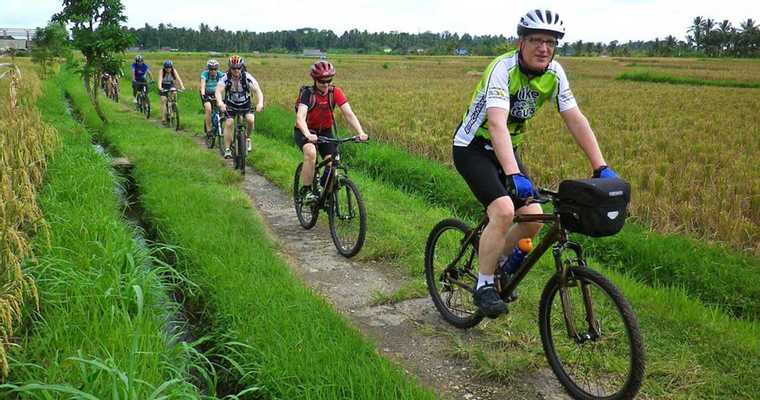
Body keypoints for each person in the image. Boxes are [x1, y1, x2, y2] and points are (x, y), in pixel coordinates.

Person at [452, 9, 619, 318]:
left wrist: (601, 166)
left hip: (507, 150)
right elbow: (498, 124)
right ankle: (485, 284)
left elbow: (575, 119)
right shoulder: (502, 69)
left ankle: (497, 260)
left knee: (533, 216)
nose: (544, 48)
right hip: (473, 147)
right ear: (521, 42)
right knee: (502, 210)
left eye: (551, 42)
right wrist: (513, 173)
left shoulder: (555, 73)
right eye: (536, 40)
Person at [294, 60, 368, 203]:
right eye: (322, 81)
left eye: (329, 80)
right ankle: (306, 191)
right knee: (311, 153)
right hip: (306, 131)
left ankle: (324, 194)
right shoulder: (307, 94)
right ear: (315, 80)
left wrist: (360, 132)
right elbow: (300, 117)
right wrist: (308, 134)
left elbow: (349, 114)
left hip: (325, 131)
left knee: (333, 161)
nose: (326, 84)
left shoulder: (335, 92)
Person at [215, 55, 264, 159]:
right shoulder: (225, 77)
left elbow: (258, 90)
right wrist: (220, 102)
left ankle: (247, 138)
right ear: (230, 68)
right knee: (229, 123)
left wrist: (260, 103)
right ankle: (227, 149)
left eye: (238, 68)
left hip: (245, 103)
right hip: (230, 104)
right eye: (233, 68)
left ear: (242, 67)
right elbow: (218, 91)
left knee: (250, 120)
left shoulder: (247, 77)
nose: (236, 70)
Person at [200, 59, 224, 133]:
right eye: (211, 69)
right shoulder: (205, 74)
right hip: (206, 94)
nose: (213, 71)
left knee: (222, 108)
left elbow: (224, 85)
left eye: (215, 69)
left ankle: (220, 125)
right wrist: (203, 94)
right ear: (208, 69)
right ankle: (209, 129)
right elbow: (202, 86)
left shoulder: (220, 74)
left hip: (216, 94)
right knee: (208, 108)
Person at [158, 60, 185, 124]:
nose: (168, 69)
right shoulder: (162, 71)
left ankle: (174, 106)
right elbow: (159, 80)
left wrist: (182, 86)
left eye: (169, 67)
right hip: (163, 85)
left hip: (170, 84)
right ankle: (163, 118)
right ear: (164, 67)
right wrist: (160, 88)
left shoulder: (173, 70)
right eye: (166, 68)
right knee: (163, 100)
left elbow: (179, 79)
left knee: (174, 93)